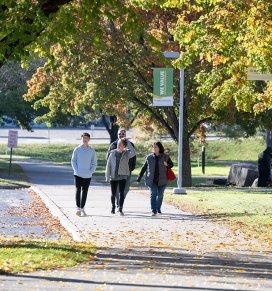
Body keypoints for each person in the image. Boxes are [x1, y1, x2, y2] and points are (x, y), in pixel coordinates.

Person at [136, 141, 173, 216]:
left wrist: (167, 164)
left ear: (160, 148)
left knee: (160, 195)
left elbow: (171, 165)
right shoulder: (149, 157)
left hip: (162, 180)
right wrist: (139, 177)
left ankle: (158, 208)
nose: (154, 148)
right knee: (153, 194)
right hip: (151, 180)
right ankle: (153, 210)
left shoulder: (165, 157)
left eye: (156, 147)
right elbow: (144, 168)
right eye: (153, 147)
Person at [106, 137, 136, 215]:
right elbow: (108, 165)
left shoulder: (126, 153)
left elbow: (133, 152)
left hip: (123, 176)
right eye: (118, 144)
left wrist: (128, 142)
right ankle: (113, 207)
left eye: (121, 144)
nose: (119, 145)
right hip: (113, 176)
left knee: (121, 192)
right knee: (113, 193)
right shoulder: (112, 153)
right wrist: (107, 176)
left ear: (124, 146)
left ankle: (120, 208)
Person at [71, 132, 97, 216]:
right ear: (81, 139)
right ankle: (78, 208)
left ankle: (82, 208)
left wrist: (91, 171)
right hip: (78, 174)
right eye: (83, 138)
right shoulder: (77, 149)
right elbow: (73, 161)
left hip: (87, 175)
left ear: (89, 140)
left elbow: (94, 163)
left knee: (85, 191)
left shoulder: (92, 150)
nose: (85, 140)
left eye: (86, 138)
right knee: (78, 190)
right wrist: (76, 170)